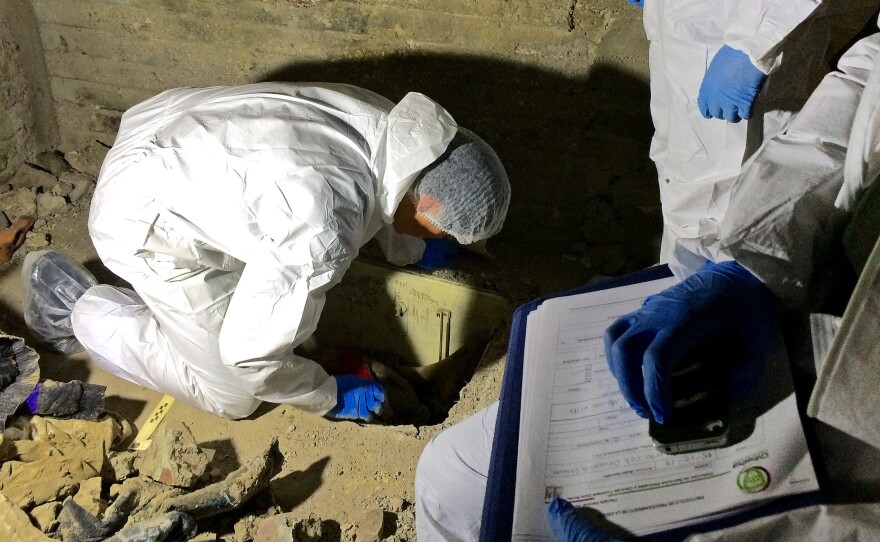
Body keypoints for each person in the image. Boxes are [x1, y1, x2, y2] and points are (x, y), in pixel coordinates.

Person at [415, 14, 880, 542]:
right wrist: (756, 262)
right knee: (449, 477)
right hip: (807, 300)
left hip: (855, 430)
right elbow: (863, 97)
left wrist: (759, 36)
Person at [24, 83, 510, 422]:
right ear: (423, 199)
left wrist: (411, 247)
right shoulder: (321, 230)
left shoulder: (390, 125)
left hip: (174, 133)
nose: (443, 238)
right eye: (442, 230)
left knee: (270, 301)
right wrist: (327, 396)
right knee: (233, 394)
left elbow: (383, 187)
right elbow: (248, 357)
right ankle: (76, 310)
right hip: (144, 221)